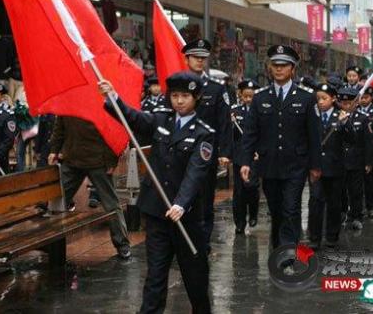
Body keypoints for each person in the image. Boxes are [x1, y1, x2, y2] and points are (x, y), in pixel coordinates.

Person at [99, 72, 214, 314]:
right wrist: (113, 97)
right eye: (175, 96)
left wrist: (181, 203)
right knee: (155, 275)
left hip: (187, 217)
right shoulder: (161, 120)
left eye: (185, 96)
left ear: (196, 98)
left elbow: (195, 173)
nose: (179, 101)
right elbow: (133, 118)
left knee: (195, 278)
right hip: (157, 211)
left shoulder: (203, 133)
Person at [241, 45, 322, 250]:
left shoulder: (306, 97)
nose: (278, 69)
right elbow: (250, 133)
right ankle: (278, 245)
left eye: (283, 65)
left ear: (293, 69)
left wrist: (315, 165)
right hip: (269, 165)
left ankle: (288, 251)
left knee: (291, 208)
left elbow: (314, 135)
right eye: (275, 65)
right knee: (276, 210)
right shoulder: (260, 97)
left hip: (296, 164)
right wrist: (246, 162)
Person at [48, 116, 131, 259]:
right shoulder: (67, 102)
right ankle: (51, 243)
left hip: (97, 161)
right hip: (72, 159)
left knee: (111, 204)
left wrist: (111, 159)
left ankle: (122, 243)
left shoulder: (101, 101)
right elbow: (59, 128)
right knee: (55, 203)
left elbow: (113, 132)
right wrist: (54, 150)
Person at [182, 39, 232, 251]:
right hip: (181, 153)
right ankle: (184, 238)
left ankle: (203, 239)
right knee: (182, 196)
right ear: (187, 59)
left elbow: (224, 122)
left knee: (204, 197)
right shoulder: (176, 86)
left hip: (206, 153)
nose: (200, 61)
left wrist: (224, 152)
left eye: (203, 58)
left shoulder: (216, 88)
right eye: (196, 57)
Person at [308, 83, 349, 249]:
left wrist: (345, 123)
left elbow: (351, 139)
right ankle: (314, 238)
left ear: (333, 99)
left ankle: (332, 235)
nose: (321, 102)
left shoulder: (340, 116)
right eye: (318, 98)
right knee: (315, 202)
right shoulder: (312, 116)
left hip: (335, 168)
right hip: (316, 168)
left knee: (334, 203)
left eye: (324, 98)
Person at [337, 87, 373, 231]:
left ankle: (356, 216)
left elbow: (368, 142)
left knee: (355, 191)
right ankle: (343, 213)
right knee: (341, 190)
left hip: (356, 161)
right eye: (343, 103)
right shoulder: (336, 117)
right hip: (339, 161)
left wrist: (369, 161)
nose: (346, 106)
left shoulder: (363, 119)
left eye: (349, 103)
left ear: (356, 103)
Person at [231, 79, 260, 234]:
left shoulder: (261, 110)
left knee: (252, 187)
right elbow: (231, 135)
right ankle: (239, 222)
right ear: (241, 95)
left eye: (251, 96)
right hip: (239, 156)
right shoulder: (235, 111)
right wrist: (231, 123)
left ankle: (253, 214)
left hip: (254, 156)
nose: (248, 99)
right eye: (246, 96)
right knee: (239, 191)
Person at [358, 87, 373, 217]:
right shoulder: (355, 111)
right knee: (357, 184)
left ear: (371, 98)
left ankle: (371, 206)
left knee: (370, 182)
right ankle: (358, 208)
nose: (363, 100)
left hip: (371, 152)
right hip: (358, 152)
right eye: (361, 97)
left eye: (366, 97)